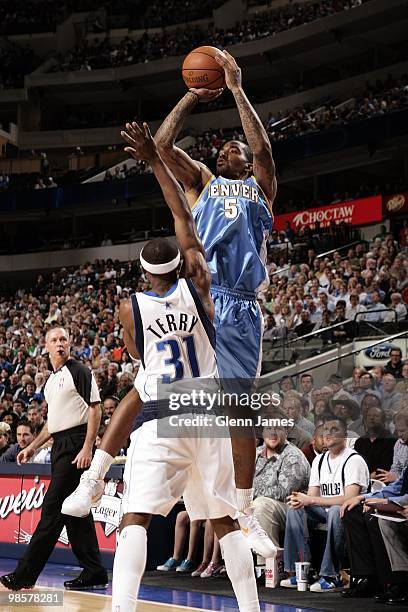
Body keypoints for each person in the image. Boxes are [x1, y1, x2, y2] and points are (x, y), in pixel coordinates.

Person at [61, 49, 277, 558]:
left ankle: (245, 510)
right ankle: (95, 477)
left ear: (247, 161)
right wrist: (192, 95)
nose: (228, 150)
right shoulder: (203, 182)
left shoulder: (261, 189)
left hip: (243, 306)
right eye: (221, 149)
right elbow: (159, 147)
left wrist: (238, 88)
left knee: (241, 414)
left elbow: (264, 149)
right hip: (200, 291)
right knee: (152, 378)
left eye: (235, 149)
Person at [0, 327, 107, 592]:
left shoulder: (79, 370)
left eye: (63, 340)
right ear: (45, 347)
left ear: (69, 344)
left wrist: (87, 447)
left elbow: (96, 408)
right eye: (54, 340)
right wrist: (33, 448)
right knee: (74, 512)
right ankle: (94, 570)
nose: (59, 344)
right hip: (60, 444)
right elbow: (52, 423)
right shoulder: (50, 381)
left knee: (52, 510)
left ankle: (25, 575)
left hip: (75, 444)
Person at [281, 415, 370, 592]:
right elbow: (312, 496)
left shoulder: (354, 460)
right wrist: (301, 499)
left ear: (345, 436)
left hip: (353, 512)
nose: (328, 433)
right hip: (325, 510)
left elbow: (349, 498)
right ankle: (301, 571)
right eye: (325, 430)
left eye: (334, 430)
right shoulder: (320, 460)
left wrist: (311, 500)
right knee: (295, 509)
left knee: (337, 510)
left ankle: (332, 576)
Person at [252, 426, 310, 553]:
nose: (273, 433)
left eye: (278, 428)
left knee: (261, 505)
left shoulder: (293, 455)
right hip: (256, 503)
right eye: (268, 428)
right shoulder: (255, 453)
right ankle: (234, 565)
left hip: (292, 508)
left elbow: (284, 492)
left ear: (286, 432)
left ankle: (270, 562)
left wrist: (250, 494)